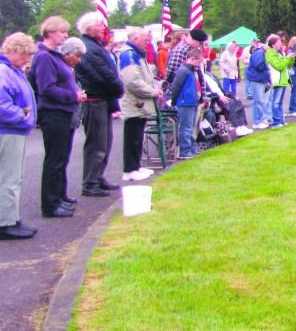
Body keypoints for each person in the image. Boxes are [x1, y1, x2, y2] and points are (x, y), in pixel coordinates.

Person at [32, 19, 87, 218]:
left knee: (61, 158)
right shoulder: (44, 57)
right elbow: (46, 88)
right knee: (54, 160)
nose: (66, 35)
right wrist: (73, 96)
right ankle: (50, 204)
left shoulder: (53, 56)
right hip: (53, 113)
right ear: (51, 32)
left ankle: (59, 196)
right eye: (63, 32)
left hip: (62, 112)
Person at [75, 12, 124, 198]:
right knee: (96, 143)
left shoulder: (93, 46)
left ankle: (98, 176)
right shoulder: (88, 48)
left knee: (105, 141)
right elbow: (101, 74)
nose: (104, 28)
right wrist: (118, 87)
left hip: (102, 99)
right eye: (99, 25)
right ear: (89, 30)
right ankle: (90, 182)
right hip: (95, 100)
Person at [0, 33, 38, 239]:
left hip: (13, 130)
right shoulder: (4, 71)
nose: (27, 59)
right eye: (26, 54)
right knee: (9, 177)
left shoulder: (11, 70)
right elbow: (2, 106)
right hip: (8, 130)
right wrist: (21, 115)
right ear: (14, 50)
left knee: (13, 177)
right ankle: (5, 223)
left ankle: (11, 218)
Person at [118, 27, 163, 182]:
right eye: (145, 40)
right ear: (135, 39)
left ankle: (135, 166)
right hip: (134, 102)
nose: (147, 43)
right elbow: (132, 81)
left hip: (138, 103)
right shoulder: (129, 54)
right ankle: (130, 170)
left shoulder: (135, 53)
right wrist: (152, 91)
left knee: (137, 136)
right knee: (132, 137)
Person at [169, 48, 203, 158]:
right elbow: (176, 86)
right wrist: (174, 101)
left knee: (191, 127)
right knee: (186, 128)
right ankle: (185, 151)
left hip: (191, 102)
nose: (199, 65)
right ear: (192, 59)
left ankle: (192, 149)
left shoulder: (190, 71)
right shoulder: (183, 71)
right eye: (198, 62)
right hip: (185, 103)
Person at [265, 34, 294, 128]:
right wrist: (287, 58)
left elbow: (288, 66)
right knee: (276, 103)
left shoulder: (279, 53)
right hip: (276, 81)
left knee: (280, 103)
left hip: (283, 80)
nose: (281, 44)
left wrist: (291, 58)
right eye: (279, 42)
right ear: (273, 44)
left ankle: (281, 120)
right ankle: (276, 122)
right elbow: (279, 66)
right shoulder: (270, 54)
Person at [245, 38, 272, 128]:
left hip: (260, 79)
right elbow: (259, 66)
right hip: (256, 79)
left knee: (262, 100)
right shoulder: (260, 53)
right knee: (258, 101)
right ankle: (257, 122)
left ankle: (261, 119)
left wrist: (266, 80)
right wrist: (266, 67)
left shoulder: (261, 53)